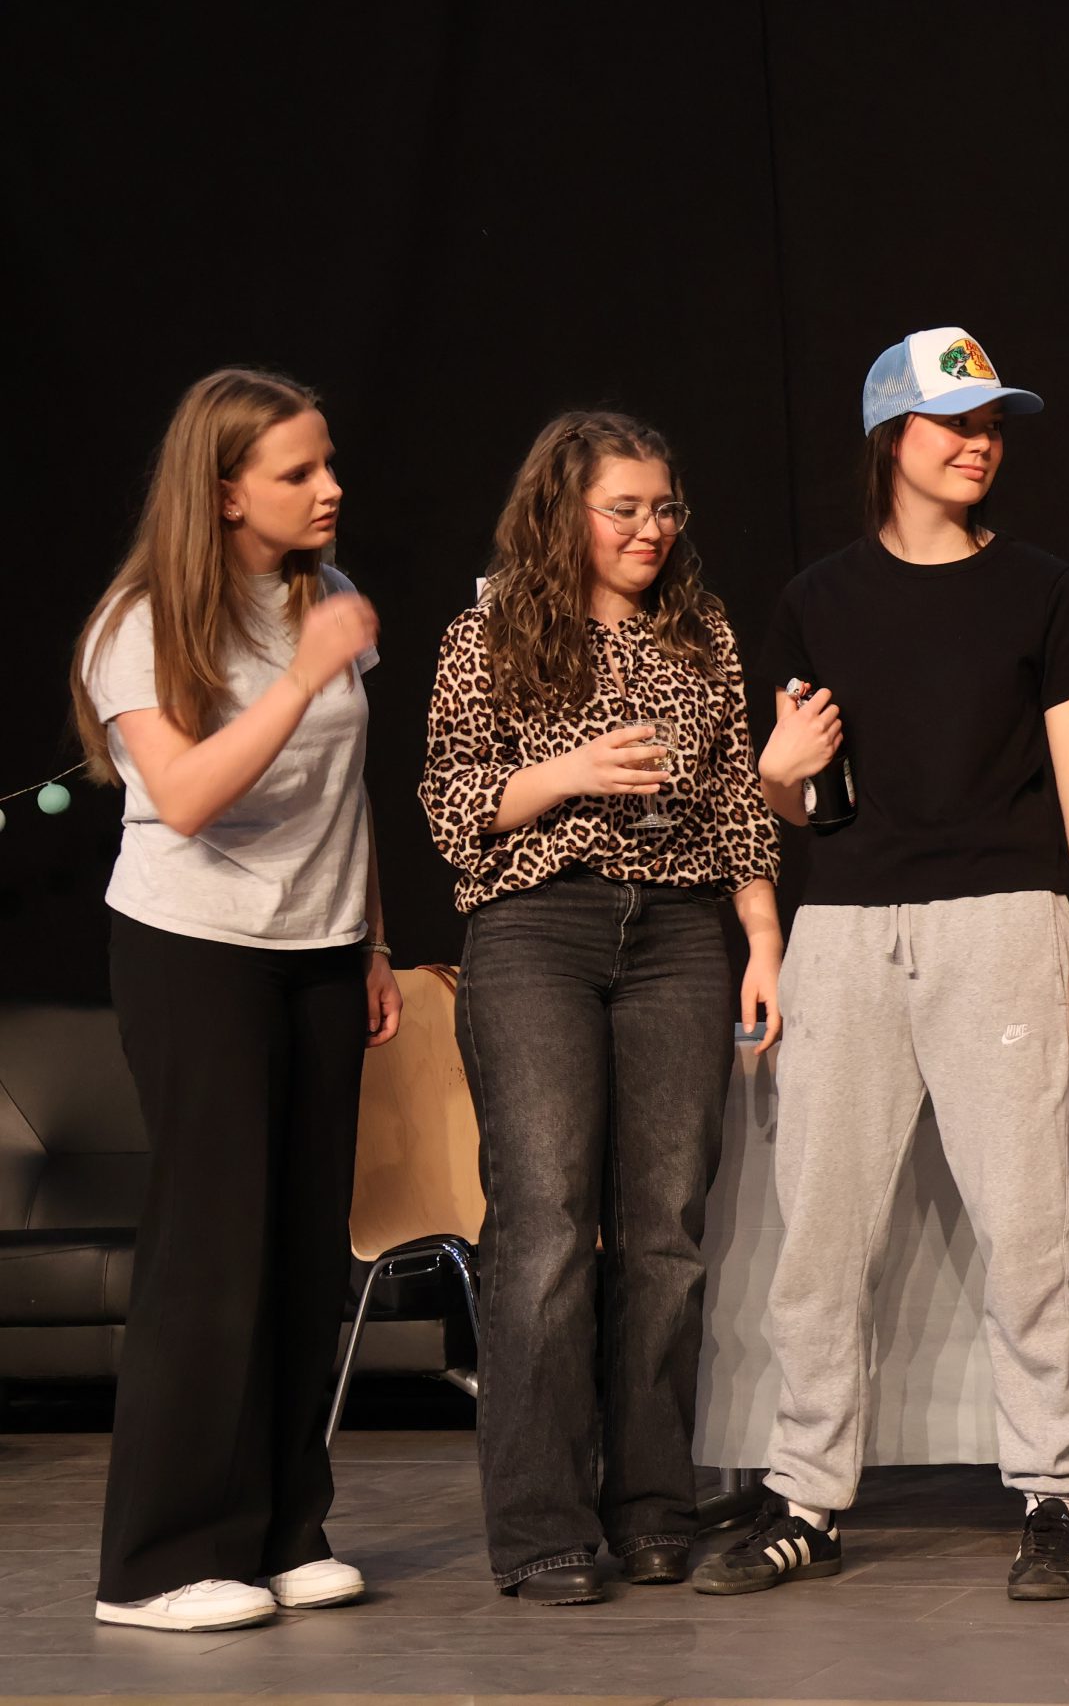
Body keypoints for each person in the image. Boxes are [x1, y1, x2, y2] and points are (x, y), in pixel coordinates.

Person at [695, 327, 1069, 1602]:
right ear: (893, 438)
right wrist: (775, 785)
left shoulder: (1040, 588)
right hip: (845, 930)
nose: (979, 444)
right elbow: (796, 796)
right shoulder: (816, 600)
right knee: (821, 1233)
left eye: (993, 425)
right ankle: (805, 1496)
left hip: (1004, 921)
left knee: (1030, 1230)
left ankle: (1052, 1495)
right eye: (956, 422)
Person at [421, 411, 782, 1606]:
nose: (649, 529)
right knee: (544, 1221)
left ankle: (652, 1507)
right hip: (539, 926)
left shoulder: (700, 630)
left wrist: (761, 936)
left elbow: (735, 799)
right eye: (623, 509)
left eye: (664, 507)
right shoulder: (488, 632)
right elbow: (450, 804)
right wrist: (567, 774)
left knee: (666, 1231)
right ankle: (542, 1527)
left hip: (678, 932)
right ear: (561, 511)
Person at [71, 368, 399, 1633]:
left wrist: (373, 941)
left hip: (321, 948)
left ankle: (281, 1529)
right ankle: (157, 1562)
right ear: (222, 493)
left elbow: (343, 791)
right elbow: (190, 795)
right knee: (213, 1250)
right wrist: (301, 678)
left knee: (306, 1248)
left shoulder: (322, 597)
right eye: (297, 472)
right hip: (193, 947)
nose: (330, 489)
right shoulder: (141, 622)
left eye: (330, 464)